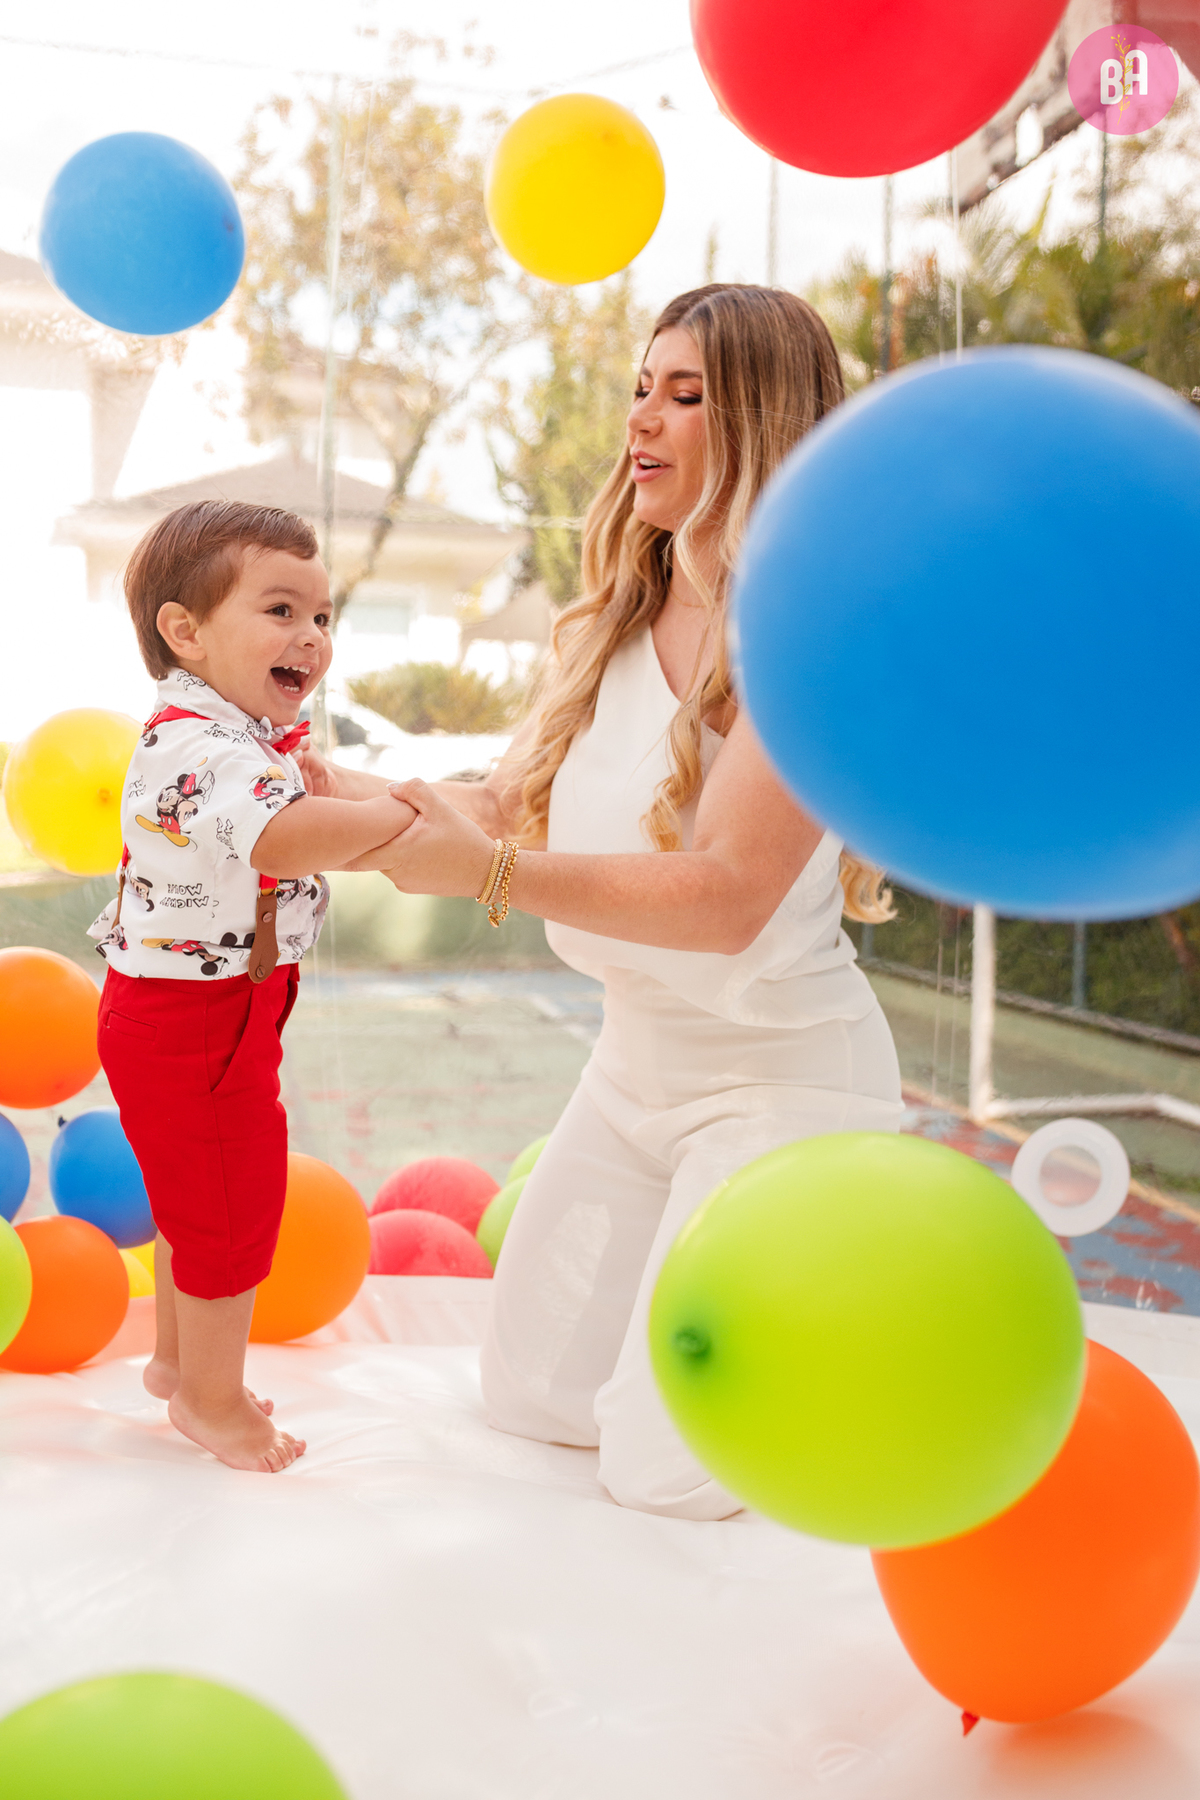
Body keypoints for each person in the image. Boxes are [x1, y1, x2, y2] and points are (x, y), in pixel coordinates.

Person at [302, 284, 903, 1518]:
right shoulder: (619, 620)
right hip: (633, 1074)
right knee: (534, 1400)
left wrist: (489, 878)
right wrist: (323, 793)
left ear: (765, 429)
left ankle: (864, 1337)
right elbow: (504, 802)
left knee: (665, 1470)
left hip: (782, 1080)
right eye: (642, 387)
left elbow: (727, 895)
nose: (645, 418)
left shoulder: (816, 642)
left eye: (686, 396)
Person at [90, 501, 415, 1473]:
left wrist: (328, 785)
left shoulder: (232, 733)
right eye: (280, 611)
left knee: (202, 1199)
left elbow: (286, 799)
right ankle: (215, 1403)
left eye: (321, 617)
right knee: (233, 1211)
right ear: (185, 632)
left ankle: (176, 1364)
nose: (310, 638)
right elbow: (282, 835)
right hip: (195, 1019)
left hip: (198, 1008)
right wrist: (397, 822)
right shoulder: (201, 749)